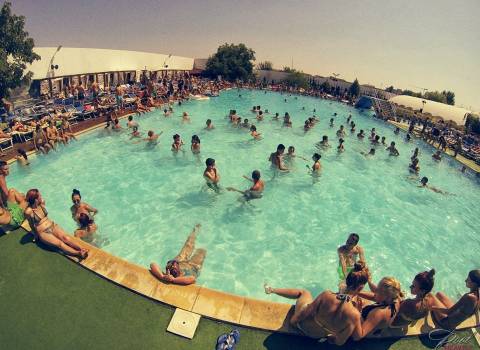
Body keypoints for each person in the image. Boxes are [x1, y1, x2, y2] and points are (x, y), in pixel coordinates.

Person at [264, 262, 369, 345]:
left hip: (302, 326)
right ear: (360, 288)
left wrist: (293, 322)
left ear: (347, 280)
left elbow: (305, 313)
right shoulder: (354, 315)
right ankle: (272, 290)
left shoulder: (326, 295)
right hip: (316, 336)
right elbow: (339, 342)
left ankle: (272, 290)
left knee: (304, 293)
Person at [24, 189, 88, 259]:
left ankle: (82, 249)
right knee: (60, 244)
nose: (41, 196)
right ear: (36, 200)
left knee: (66, 238)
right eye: (39, 195)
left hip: (52, 226)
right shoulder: (29, 212)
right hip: (43, 232)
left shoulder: (42, 203)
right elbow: (31, 224)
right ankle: (78, 253)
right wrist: (36, 234)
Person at [0, 161, 26, 227]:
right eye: (5, 169)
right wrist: (4, 207)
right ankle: (24, 212)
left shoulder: (1, 177)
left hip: (4, 205)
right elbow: (6, 194)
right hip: (6, 206)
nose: (8, 171)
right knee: (13, 191)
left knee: (21, 195)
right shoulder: (1, 178)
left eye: (8, 168)